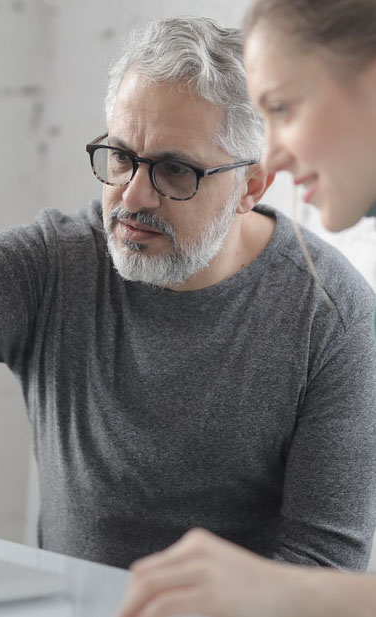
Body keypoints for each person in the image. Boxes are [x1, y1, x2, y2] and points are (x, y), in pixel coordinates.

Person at [0, 16, 376, 574]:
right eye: (120, 157)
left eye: (175, 170)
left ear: (249, 188)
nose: (132, 196)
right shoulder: (51, 264)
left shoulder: (333, 319)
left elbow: (325, 568)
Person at [115, 3, 376, 617]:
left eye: (283, 108)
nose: (276, 157)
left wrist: (285, 590)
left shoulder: (336, 314)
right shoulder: (65, 254)